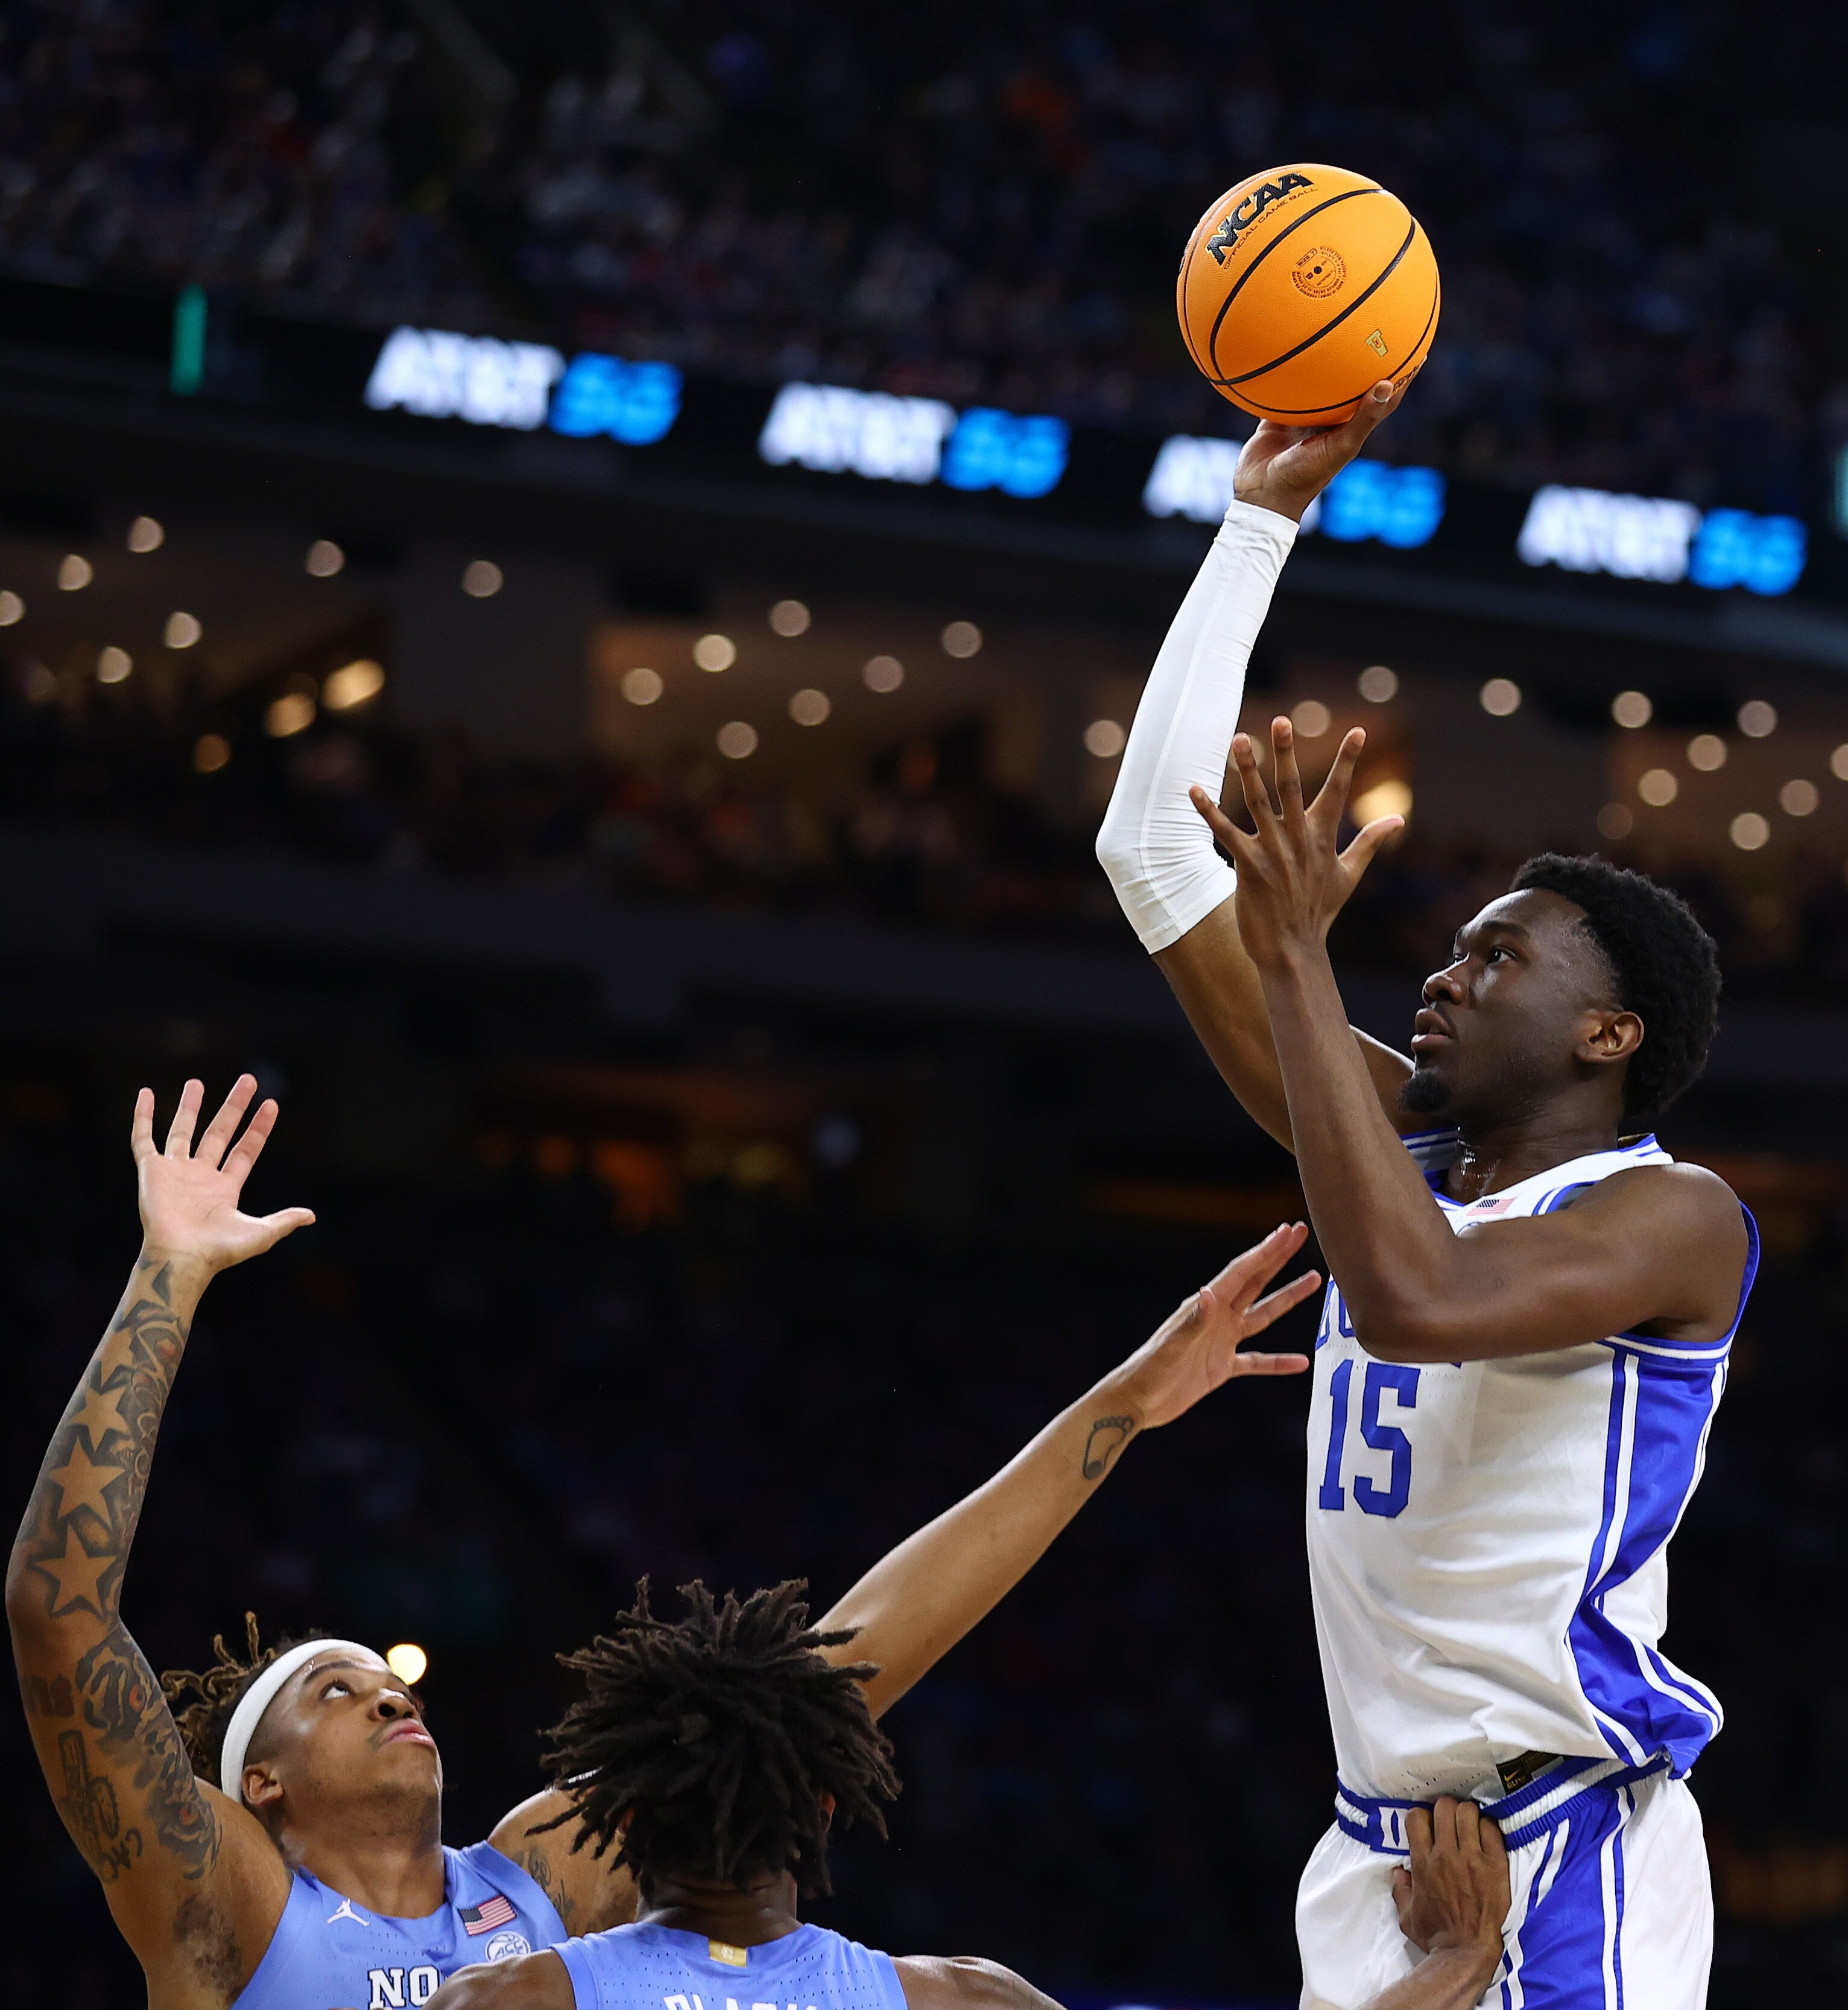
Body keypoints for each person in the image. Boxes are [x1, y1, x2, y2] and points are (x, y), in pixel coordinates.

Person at [9, 1076, 1322, 2010]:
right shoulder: (227, 1897)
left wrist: (1122, 1408)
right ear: (266, 1788)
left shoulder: (523, 1881)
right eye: (331, 1692)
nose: (384, 1688)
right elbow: (61, 1616)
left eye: (379, 1673)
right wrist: (166, 1279)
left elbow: (829, 1679)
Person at [1093, 380, 1757, 2010]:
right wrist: (1259, 520)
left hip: (1561, 1838)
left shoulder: (1674, 1221)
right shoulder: (1394, 1149)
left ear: (1610, 1033)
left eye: (1497, 957)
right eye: (1449, 950)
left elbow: (1418, 1301)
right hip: (1370, 1843)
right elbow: (1151, 852)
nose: (1445, 978)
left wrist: (1301, 959)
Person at [428, 1579, 1514, 2010]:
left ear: (618, 1823)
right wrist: (1460, 1960)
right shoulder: (959, 1997)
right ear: (828, 1809)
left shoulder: (504, 1998)